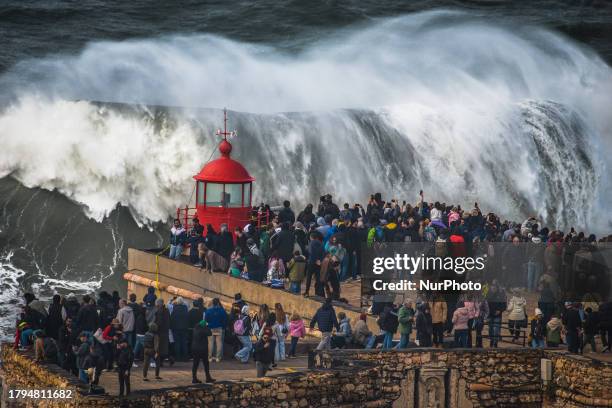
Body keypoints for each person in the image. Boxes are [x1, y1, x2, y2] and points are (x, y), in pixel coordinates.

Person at [205, 298, 227, 362]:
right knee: (219, 343)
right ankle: (218, 357)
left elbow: (206, 320)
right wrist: (223, 326)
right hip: (219, 328)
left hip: (211, 328)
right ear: (218, 303)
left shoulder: (209, 311)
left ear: (212, 303)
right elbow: (225, 319)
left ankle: (210, 357)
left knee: (210, 343)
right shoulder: (222, 310)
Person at [303, 231, 324, 297]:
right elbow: (323, 253)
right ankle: (318, 293)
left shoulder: (311, 243)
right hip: (318, 263)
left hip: (311, 262)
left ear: (311, 237)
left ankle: (307, 292)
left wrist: (314, 260)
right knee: (318, 278)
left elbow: (311, 253)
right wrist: (319, 260)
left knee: (309, 278)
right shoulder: (321, 243)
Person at [170, 297, 189, 362]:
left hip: (176, 328)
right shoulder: (185, 308)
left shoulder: (174, 308)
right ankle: (185, 357)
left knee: (177, 343)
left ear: (177, 302)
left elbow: (172, 318)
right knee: (184, 343)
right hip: (184, 328)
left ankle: (178, 357)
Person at [154, 299, 172, 366]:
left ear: (159, 304)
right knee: (164, 347)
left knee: (160, 347)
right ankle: (170, 358)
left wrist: (156, 327)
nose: (156, 305)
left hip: (160, 331)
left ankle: (160, 362)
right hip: (166, 330)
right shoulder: (166, 310)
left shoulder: (159, 311)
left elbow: (159, 322)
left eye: (156, 303)